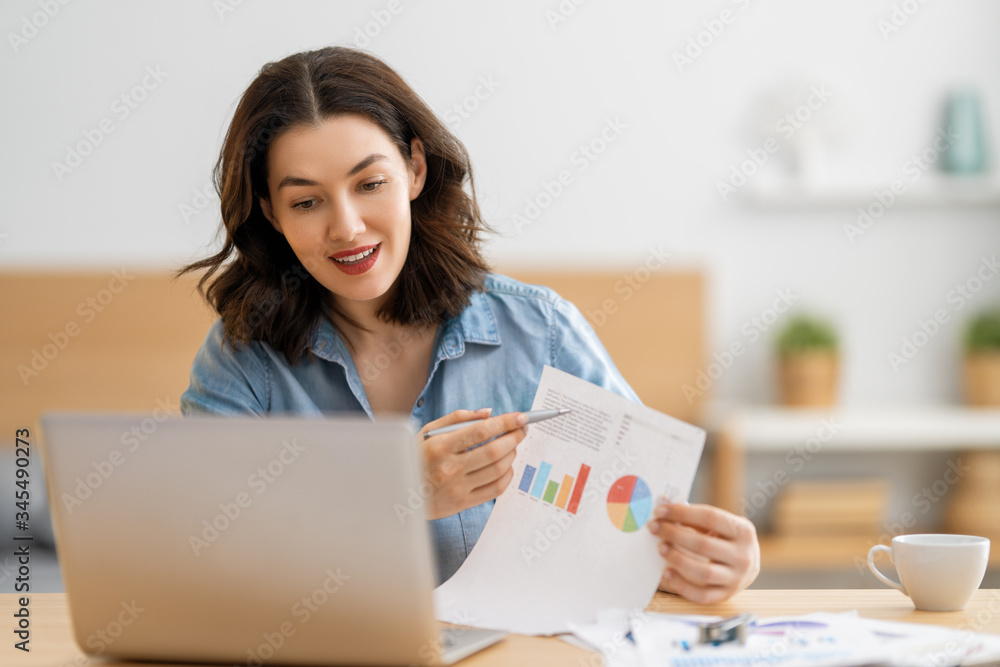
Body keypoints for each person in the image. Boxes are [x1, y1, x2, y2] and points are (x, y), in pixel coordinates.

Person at [178, 46, 759, 603]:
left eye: (370, 184)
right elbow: (202, 565)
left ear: (415, 169)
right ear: (270, 212)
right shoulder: (242, 359)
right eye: (307, 202)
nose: (348, 227)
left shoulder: (542, 332)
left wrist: (716, 561)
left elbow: (641, 533)